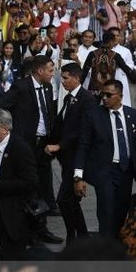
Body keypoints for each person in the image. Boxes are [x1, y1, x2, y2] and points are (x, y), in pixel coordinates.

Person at [0, 55, 62, 244]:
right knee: (28, 187)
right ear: (39, 71)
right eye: (50, 69)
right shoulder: (21, 87)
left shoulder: (47, 87)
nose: (52, 73)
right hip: (26, 145)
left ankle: (42, 227)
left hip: (43, 146)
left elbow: (48, 114)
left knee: (43, 186)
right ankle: (29, 227)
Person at [74, 80, 136, 238]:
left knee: (122, 210)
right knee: (106, 210)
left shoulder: (132, 115)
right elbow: (83, 145)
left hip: (126, 171)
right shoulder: (94, 115)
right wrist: (78, 176)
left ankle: (117, 245)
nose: (104, 98)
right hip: (104, 171)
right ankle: (105, 249)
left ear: (120, 96)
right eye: (103, 94)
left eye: (109, 95)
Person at [45, 63, 97, 243]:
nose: (63, 81)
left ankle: (75, 236)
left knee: (64, 200)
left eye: (66, 78)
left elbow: (83, 130)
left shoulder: (87, 99)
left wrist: (60, 145)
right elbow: (62, 124)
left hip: (77, 158)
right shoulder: (69, 98)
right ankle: (79, 236)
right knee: (71, 201)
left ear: (77, 78)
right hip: (66, 159)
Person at [0, 109, 38, 260]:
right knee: (6, 254)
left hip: (16, 216)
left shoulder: (20, 148)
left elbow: (30, 182)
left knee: (14, 258)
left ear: (5, 128)